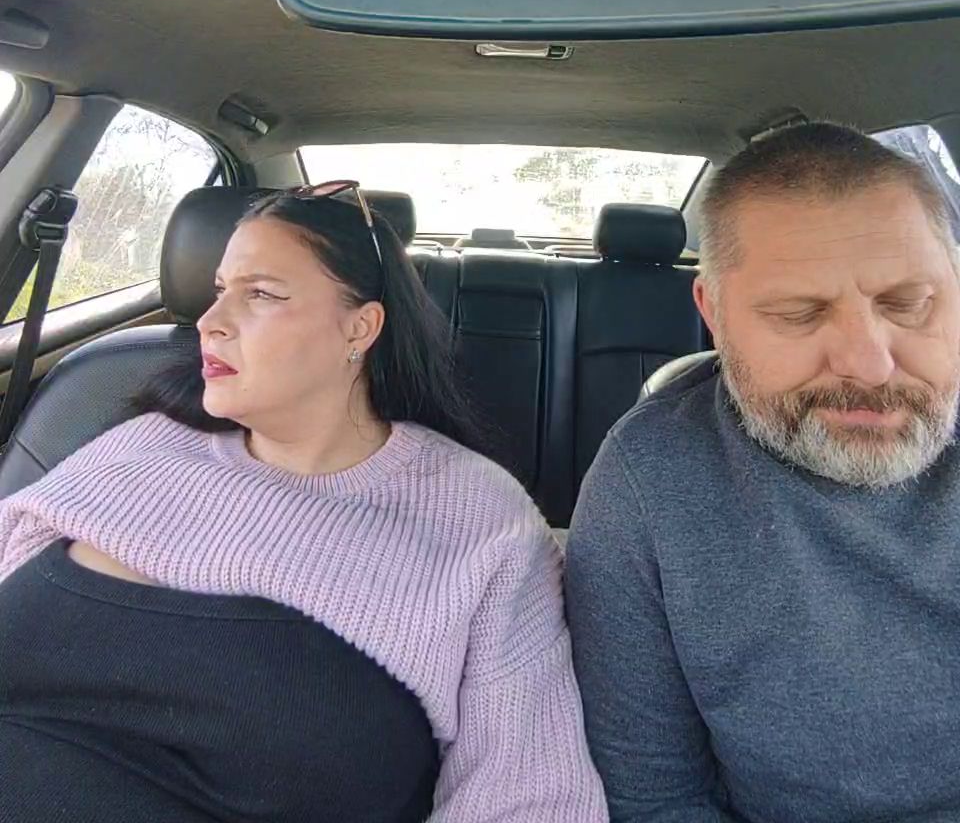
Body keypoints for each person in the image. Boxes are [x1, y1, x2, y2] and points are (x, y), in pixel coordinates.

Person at [0, 182, 607, 823]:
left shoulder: (481, 522)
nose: (211, 321)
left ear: (360, 327)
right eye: (219, 290)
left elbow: (528, 793)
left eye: (261, 294)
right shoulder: (140, 444)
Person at [565, 123, 960, 823]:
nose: (869, 364)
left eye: (908, 304)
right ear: (713, 314)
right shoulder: (648, 482)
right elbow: (656, 796)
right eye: (799, 315)